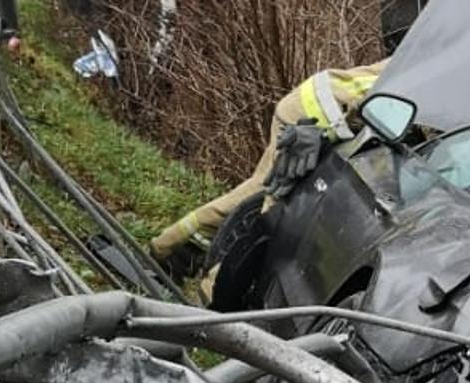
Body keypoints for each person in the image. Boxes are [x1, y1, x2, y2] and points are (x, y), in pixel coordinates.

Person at [150, 60, 388, 265]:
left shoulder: (410, 56)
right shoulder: (413, 78)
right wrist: (327, 134)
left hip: (311, 105)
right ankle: (213, 290)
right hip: (315, 122)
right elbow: (370, 104)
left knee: (257, 192)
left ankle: (169, 247)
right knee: (275, 220)